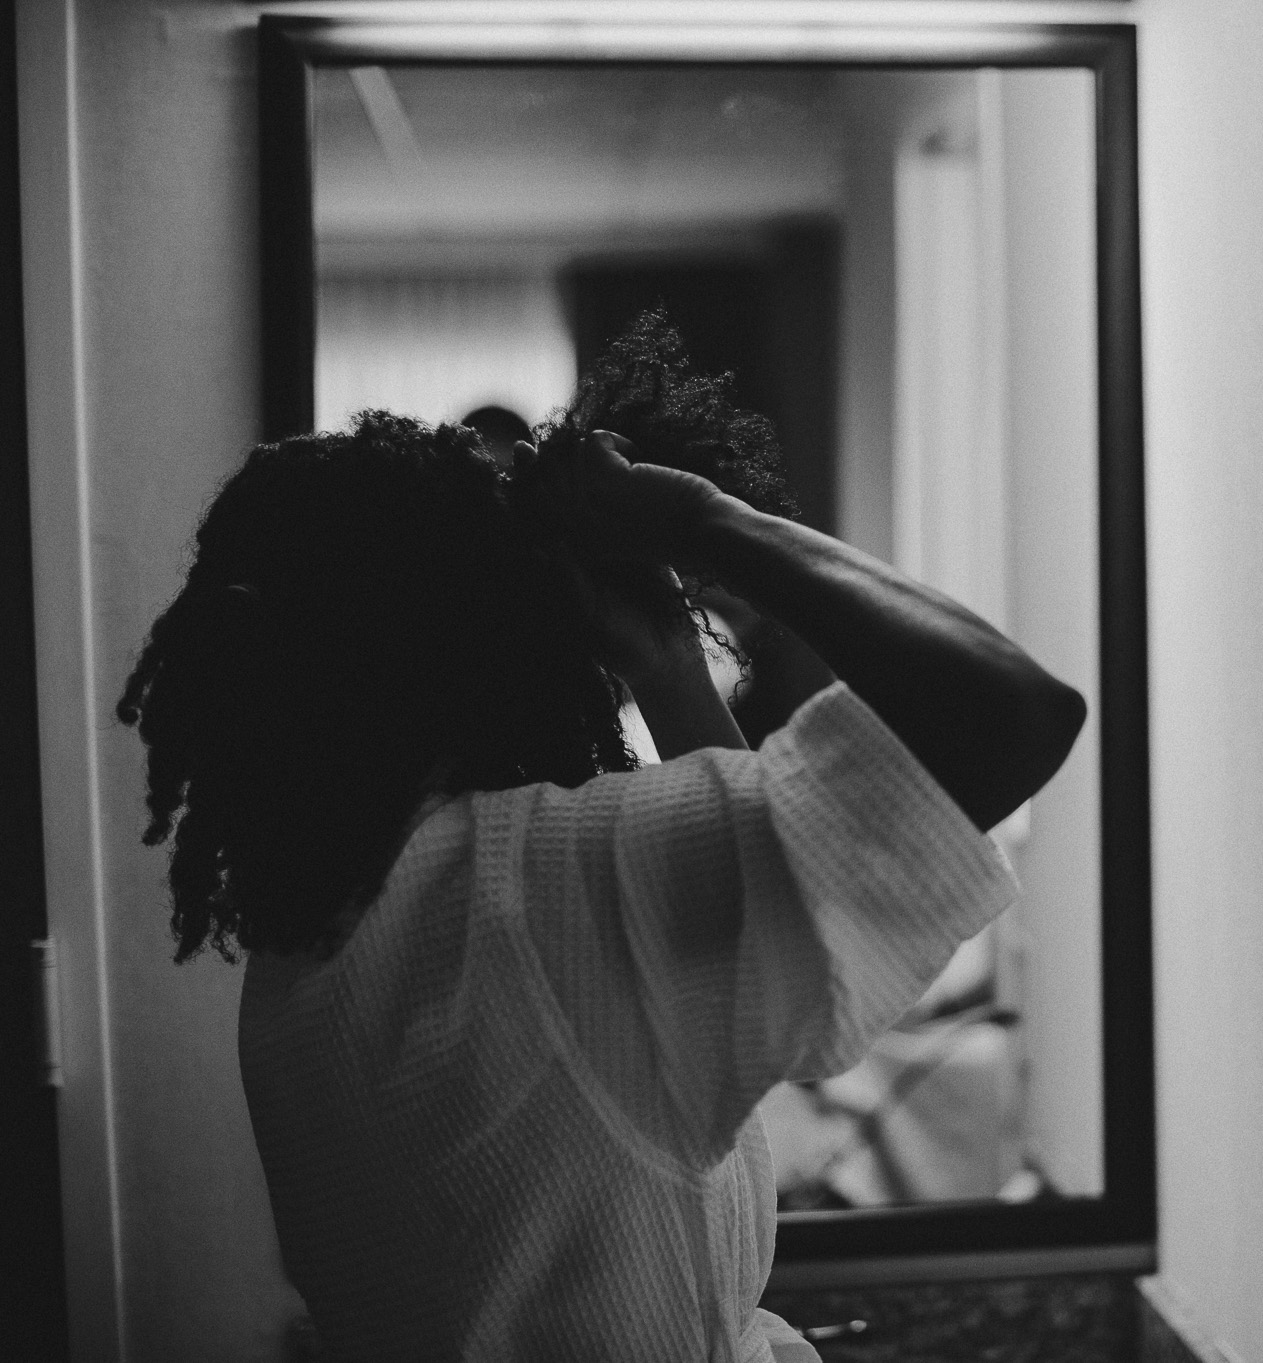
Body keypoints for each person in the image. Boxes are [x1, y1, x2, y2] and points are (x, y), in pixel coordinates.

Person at [116, 348, 1085, 1358]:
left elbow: (757, 901)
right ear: (481, 634)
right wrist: (702, 522)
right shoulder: (526, 890)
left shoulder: (328, 935)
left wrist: (667, 662)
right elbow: (1010, 712)